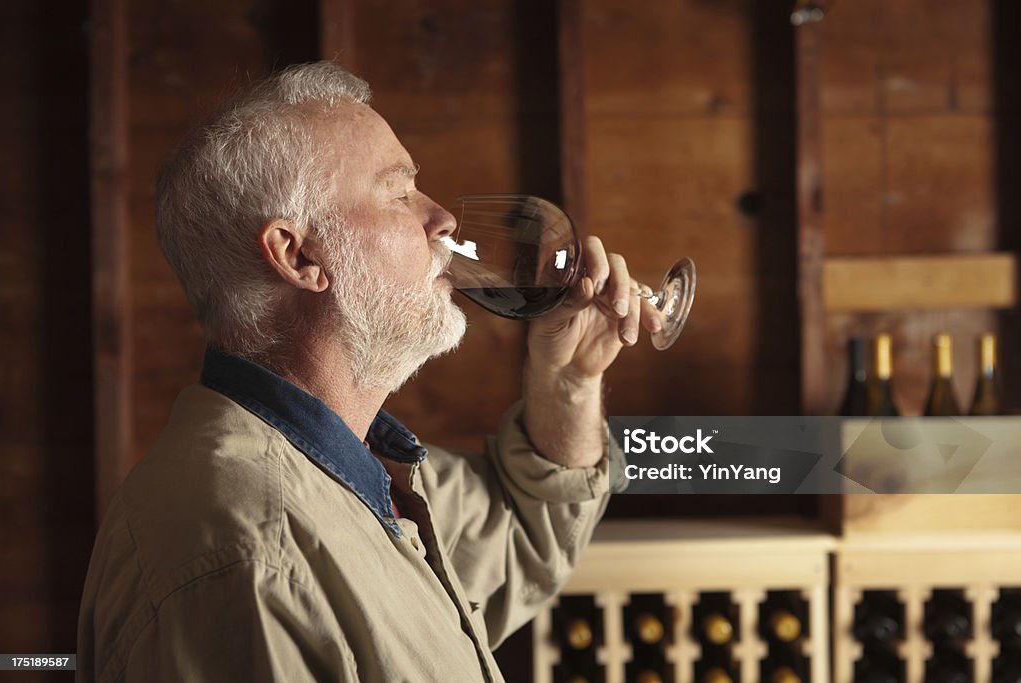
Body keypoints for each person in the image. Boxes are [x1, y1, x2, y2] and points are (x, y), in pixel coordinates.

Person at [77, 61, 653, 682]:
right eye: (399, 193)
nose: (443, 220)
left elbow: (520, 536)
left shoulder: (356, 466)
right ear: (298, 255)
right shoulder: (248, 560)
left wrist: (567, 381)